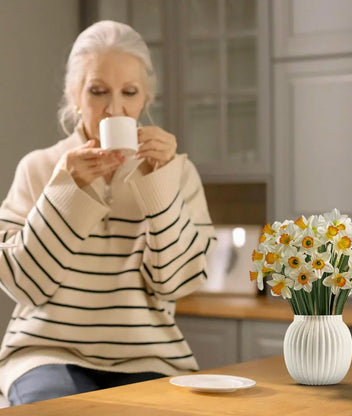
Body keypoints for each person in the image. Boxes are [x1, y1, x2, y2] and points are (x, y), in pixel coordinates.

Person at [0, 20, 215, 406]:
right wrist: (67, 190)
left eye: (128, 93)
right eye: (98, 91)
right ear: (74, 94)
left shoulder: (176, 172)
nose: (114, 108)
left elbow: (176, 284)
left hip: (149, 355)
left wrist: (159, 185)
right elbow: (25, 285)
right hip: (46, 353)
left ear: (145, 98)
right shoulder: (38, 167)